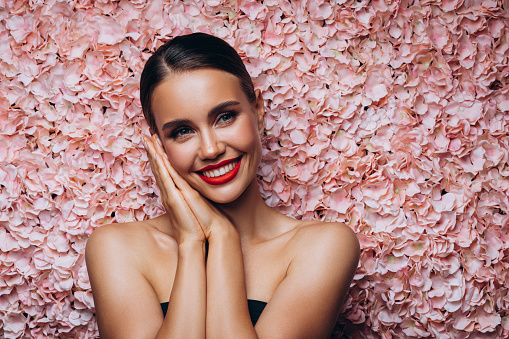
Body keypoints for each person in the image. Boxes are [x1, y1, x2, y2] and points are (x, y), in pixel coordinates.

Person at [85, 32, 360, 339]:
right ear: (159, 144)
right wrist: (193, 242)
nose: (211, 149)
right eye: (182, 131)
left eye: (225, 117)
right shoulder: (118, 249)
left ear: (257, 111)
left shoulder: (322, 247)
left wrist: (222, 238)